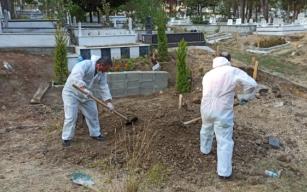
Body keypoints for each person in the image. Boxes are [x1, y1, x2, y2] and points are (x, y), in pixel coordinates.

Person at [200, 56, 257, 179]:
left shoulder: (207, 75)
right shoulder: (231, 71)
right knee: (224, 140)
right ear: (227, 62)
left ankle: (205, 150)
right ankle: (224, 172)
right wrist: (244, 97)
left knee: (206, 129)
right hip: (222, 112)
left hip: (205, 109)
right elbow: (252, 84)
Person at [61, 55, 114, 147]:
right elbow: (76, 76)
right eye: (106, 69)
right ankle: (66, 138)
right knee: (71, 116)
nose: (106, 71)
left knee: (93, 113)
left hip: (86, 94)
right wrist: (82, 88)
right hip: (71, 93)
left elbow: (103, 86)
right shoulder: (85, 64)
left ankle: (95, 134)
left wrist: (108, 101)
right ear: (100, 65)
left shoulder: (101, 73)